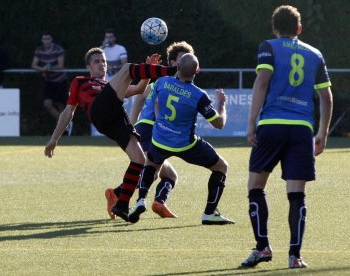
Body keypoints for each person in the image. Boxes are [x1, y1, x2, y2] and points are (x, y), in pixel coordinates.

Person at [241, 5, 333, 269]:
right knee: (297, 195)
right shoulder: (315, 54)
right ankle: (295, 256)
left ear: (274, 28)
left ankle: (262, 248)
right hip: (302, 128)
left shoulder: (268, 46)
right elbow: (326, 96)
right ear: (299, 29)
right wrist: (323, 133)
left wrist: (251, 123)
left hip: (271, 125)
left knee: (256, 188)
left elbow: (262, 81)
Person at [44, 47, 178, 222]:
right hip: (99, 110)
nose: (101, 64)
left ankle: (121, 204)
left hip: (115, 120)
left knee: (139, 160)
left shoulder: (111, 86)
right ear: (89, 67)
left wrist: (147, 70)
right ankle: (174, 70)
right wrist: (54, 139)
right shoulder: (81, 81)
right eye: (96, 61)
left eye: (104, 61)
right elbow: (68, 111)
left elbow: (138, 89)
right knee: (128, 67)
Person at [126, 53, 235, 225]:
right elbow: (219, 124)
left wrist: (161, 126)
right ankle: (209, 213)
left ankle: (140, 201)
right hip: (186, 144)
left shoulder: (162, 82)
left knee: (151, 165)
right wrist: (221, 104)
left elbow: (155, 104)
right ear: (197, 71)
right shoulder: (199, 95)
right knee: (221, 166)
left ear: (177, 68)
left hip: (160, 138)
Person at [105, 41, 195, 219]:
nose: (186, 62)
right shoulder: (164, 82)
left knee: (169, 174)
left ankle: (158, 201)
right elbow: (140, 97)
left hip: (156, 131)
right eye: (181, 59)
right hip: (150, 129)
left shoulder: (178, 85)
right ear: (171, 63)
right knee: (151, 172)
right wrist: (132, 125)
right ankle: (119, 194)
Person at [31, 32, 68, 123]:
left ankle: (65, 128)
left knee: (60, 104)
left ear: (51, 40)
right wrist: (43, 69)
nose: (46, 41)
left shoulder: (58, 49)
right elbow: (33, 65)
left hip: (60, 80)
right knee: (47, 104)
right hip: (49, 80)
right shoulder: (39, 50)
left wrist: (50, 68)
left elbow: (60, 65)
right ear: (42, 40)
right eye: (44, 39)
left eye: (48, 39)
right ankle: (65, 124)